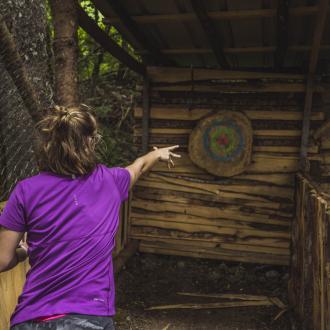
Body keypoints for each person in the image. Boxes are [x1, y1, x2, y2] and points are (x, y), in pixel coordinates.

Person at [0, 105, 180, 330]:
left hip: (31, 319)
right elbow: (138, 167)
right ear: (90, 143)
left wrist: (25, 251)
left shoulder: (26, 190)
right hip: (87, 318)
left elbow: (3, 259)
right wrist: (156, 154)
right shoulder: (109, 181)